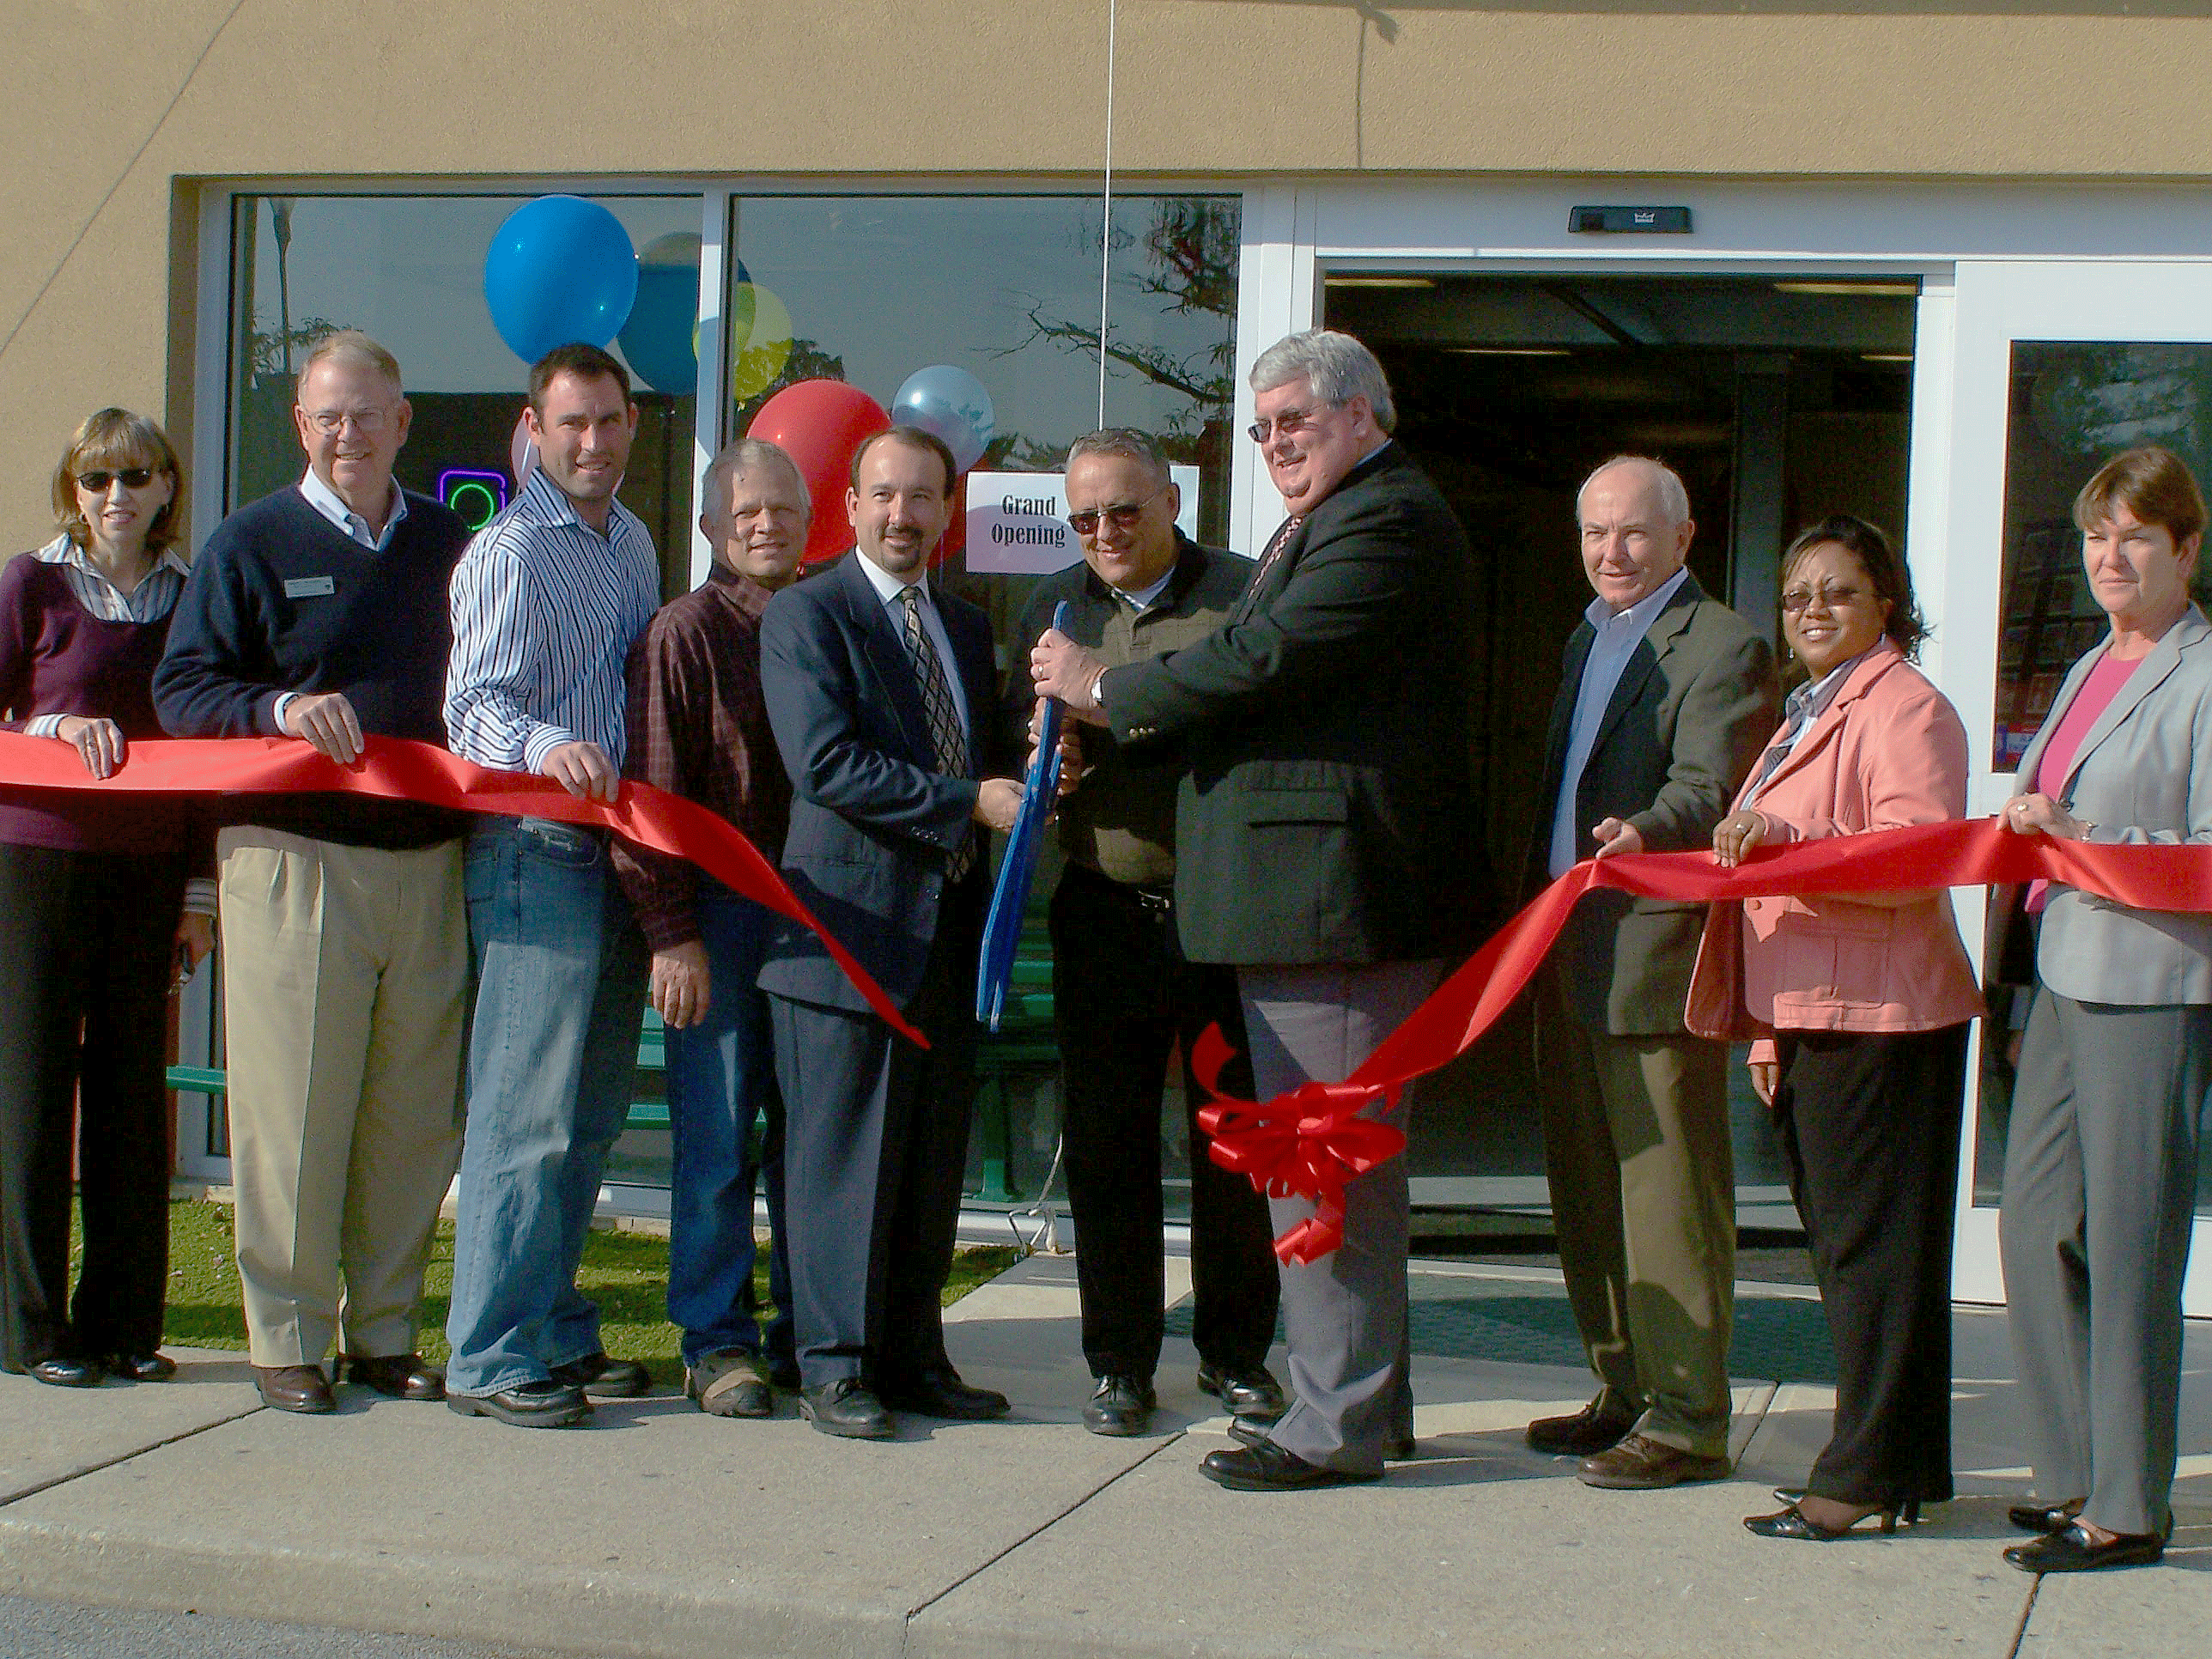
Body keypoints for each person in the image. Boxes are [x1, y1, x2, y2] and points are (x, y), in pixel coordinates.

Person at [1031, 329, 1493, 1491]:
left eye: (1297, 419)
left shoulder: (1383, 519)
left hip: (1332, 906)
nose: (1279, 442)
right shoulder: (1337, 517)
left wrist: (1106, 688)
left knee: (1320, 1169)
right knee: (1329, 1165)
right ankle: (1360, 1409)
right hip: (1310, 907)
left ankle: (1334, 1426)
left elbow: (1265, 655)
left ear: (1363, 413)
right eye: (1264, 427)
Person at [155, 333, 472, 1415]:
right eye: (328, 417)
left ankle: (385, 1333)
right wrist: (278, 710)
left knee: (410, 1120)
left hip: (426, 865)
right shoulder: (247, 543)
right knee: (292, 1115)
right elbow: (183, 692)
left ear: (402, 422)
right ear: (302, 426)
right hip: (292, 864)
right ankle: (285, 1336)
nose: (350, 434)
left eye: (368, 414)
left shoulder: (449, 543)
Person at [1685, 516, 1982, 1539]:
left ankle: (1859, 1478)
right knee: (1855, 1257)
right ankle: (1891, 1468)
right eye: (1797, 594)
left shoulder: (1904, 707)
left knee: (1874, 1260)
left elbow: (1914, 858)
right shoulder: (1806, 708)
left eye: (1838, 592)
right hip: (1814, 1012)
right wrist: (1766, 1031)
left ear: (1884, 601)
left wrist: (1784, 835)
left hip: (1885, 1020)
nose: (1813, 610)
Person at [1007, 428, 1281, 1438]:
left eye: (1124, 511)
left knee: (1235, 1142)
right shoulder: (1050, 604)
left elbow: (1247, 714)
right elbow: (1021, 724)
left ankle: (1235, 1352)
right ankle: (1117, 1360)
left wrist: (1113, 705)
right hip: (1103, 908)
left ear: (1172, 500)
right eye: (1082, 518)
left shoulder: (1243, 591)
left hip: (1222, 912)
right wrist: (1047, 752)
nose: (1104, 533)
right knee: (1109, 1147)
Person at [758, 425, 1020, 1440]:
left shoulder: (961, 624)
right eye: (883, 496)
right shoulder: (806, 614)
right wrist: (971, 804)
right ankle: (832, 1367)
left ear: (946, 511)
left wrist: (1036, 760)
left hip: (949, 933)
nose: (902, 516)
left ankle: (913, 1358)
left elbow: (984, 747)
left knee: (923, 1158)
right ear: (852, 506)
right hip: (846, 940)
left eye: (921, 498)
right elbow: (825, 764)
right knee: (837, 1165)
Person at [1522, 454, 1777, 1490]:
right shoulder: (1589, 633)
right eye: (1593, 533)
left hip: (1652, 951)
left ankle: (1687, 1417)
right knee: (1586, 1190)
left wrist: (1646, 829)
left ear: (1682, 540)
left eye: (1631, 533)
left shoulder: (1720, 643)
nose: (1609, 553)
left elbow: (1707, 786)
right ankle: (1622, 1385)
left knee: (1664, 1190)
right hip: (1568, 947)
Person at [1992, 444, 2212, 1573]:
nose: (2109, 556)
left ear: (2185, 546)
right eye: (2095, 536)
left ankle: (2127, 1508)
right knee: (2031, 1228)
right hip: (2066, 973)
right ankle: (2071, 1471)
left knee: (2131, 1249)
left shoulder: (2206, 673)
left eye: (2134, 535)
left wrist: (2087, 842)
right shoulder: (2086, 670)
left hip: (2153, 986)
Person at [442, 343, 660, 1429]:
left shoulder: (632, 542)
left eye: (608, 420)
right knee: (522, 1116)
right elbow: (469, 710)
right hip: (534, 853)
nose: (591, 441)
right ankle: (488, 1356)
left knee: (587, 1117)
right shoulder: (508, 551)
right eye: (570, 423)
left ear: (631, 425)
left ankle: (554, 1329)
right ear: (534, 430)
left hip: (619, 860)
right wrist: (547, 744)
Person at [0, 410, 212, 1389]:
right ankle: (35, 1333)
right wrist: (48, 726)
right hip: (36, 865)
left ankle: (125, 1326)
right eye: (96, 480)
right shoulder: (29, 584)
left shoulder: (192, 595)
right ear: (72, 492)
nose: (116, 496)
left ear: (167, 486)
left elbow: (212, 752)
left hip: (151, 871)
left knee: (131, 1103)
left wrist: (201, 893)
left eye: (136, 476)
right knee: (33, 1097)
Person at [611, 436, 805, 1418]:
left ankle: (806, 1330)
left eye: (781, 507)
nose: (765, 524)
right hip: (719, 925)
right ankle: (716, 1341)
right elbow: (649, 792)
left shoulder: (826, 617)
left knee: (807, 1142)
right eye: (746, 513)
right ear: (711, 529)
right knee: (718, 1140)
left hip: (817, 923)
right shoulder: (681, 632)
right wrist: (668, 931)